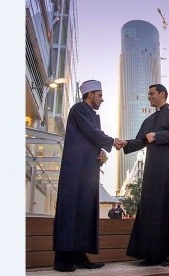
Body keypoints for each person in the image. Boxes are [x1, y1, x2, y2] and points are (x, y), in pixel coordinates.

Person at [116, 84, 169, 267]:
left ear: (162, 94)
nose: (148, 97)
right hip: (152, 170)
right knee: (151, 208)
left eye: (151, 94)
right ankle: (152, 255)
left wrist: (157, 136)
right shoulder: (148, 120)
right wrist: (126, 143)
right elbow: (140, 141)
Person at [53, 79, 121, 272]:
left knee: (85, 211)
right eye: (99, 95)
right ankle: (62, 259)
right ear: (90, 94)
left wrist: (101, 154)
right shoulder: (78, 109)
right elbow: (90, 133)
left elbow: (91, 138)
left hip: (87, 170)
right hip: (75, 170)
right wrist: (112, 141)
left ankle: (79, 256)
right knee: (71, 209)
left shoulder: (91, 114)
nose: (102, 99)